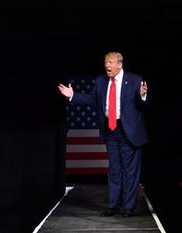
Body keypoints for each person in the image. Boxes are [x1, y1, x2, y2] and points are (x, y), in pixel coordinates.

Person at [58, 51, 149, 217]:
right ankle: (113, 206)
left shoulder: (135, 80)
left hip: (129, 131)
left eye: (111, 62)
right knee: (114, 169)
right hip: (110, 130)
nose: (107, 65)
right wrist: (73, 96)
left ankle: (128, 207)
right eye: (106, 62)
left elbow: (142, 103)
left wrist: (142, 95)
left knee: (129, 170)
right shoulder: (101, 81)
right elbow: (92, 100)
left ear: (120, 64)